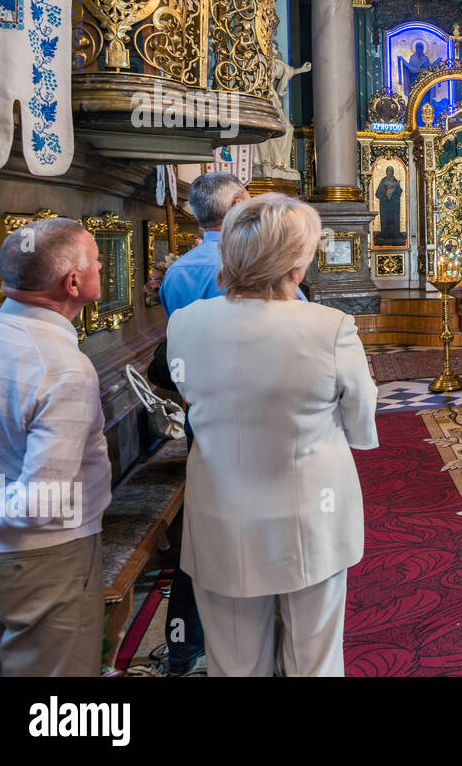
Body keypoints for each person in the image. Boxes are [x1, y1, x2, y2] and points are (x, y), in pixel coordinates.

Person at [166, 194, 378, 676]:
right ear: (295, 268)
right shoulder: (330, 326)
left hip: (220, 509)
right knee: (313, 657)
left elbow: (191, 393)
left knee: (235, 660)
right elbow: (361, 412)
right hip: (311, 512)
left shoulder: (186, 323)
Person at [159, 172, 302, 674]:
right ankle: (275, 635)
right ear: (241, 204)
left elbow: (177, 354)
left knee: (208, 529)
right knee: (275, 527)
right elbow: (297, 343)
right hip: (268, 422)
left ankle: (188, 645)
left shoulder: (176, 273)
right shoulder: (263, 267)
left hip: (207, 419)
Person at [0, 218, 111, 676]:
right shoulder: (62, 369)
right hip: (42, 559)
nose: (100, 266)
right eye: (95, 261)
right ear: (72, 282)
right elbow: (43, 502)